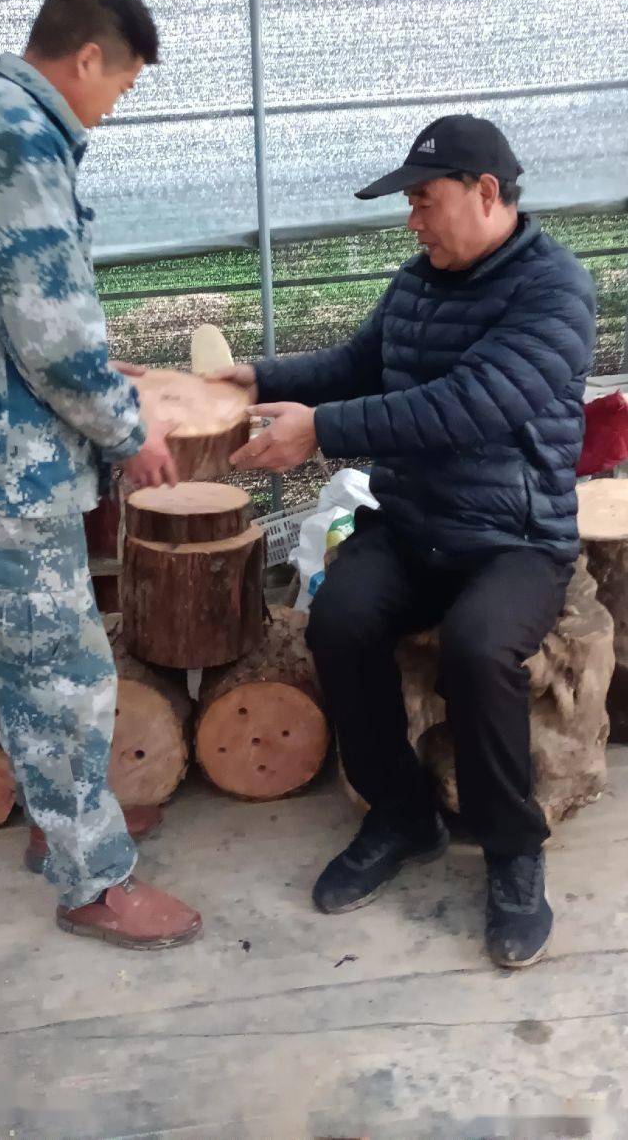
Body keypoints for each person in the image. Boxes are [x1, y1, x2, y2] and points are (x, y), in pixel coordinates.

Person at [226, 114, 596, 968]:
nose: (413, 221)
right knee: (338, 619)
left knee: (476, 646)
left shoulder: (555, 290)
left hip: (518, 537)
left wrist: (319, 431)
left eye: (424, 201)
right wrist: (259, 378)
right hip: (414, 524)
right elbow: (361, 363)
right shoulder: (419, 280)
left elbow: (468, 404)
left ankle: (512, 849)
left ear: (487, 194)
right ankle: (401, 815)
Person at [0, 0, 202, 951]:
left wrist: (101, 369)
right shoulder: (19, 137)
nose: (112, 106)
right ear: (89, 59)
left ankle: (63, 829)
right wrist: (132, 428)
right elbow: (48, 327)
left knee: (25, 656)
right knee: (63, 669)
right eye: (120, 87)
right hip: (1, 462)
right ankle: (94, 881)